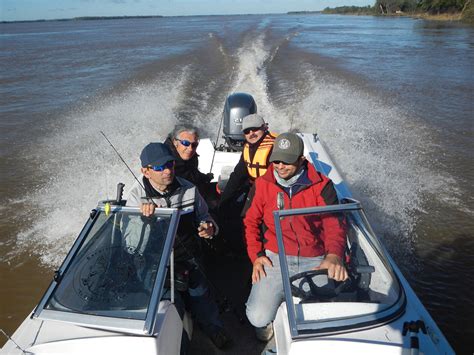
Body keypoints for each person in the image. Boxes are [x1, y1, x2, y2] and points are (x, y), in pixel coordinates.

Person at [243, 132, 348, 341]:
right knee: (257, 316)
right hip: (275, 255)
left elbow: (334, 224)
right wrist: (256, 256)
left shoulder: (322, 185)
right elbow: (250, 222)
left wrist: (334, 255)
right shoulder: (262, 185)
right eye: (276, 161)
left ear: (301, 160)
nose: (280, 167)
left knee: (321, 317)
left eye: (287, 162)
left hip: (315, 256)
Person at [126, 142, 230, 349]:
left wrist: (210, 228)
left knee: (202, 297)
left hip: (188, 257)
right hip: (153, 262)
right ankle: (179, 345)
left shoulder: (189, 189)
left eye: (170, 165)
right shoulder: (136, 196)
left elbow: (205, 216)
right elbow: (131, 244)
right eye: (159, 167)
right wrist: (142, 219)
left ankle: (214, 329)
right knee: (169, 309)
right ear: (145, 171)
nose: (167, 171)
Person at [218, 113, 277, 214]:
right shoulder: (247, 148)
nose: (251, 133)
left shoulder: (275, 146)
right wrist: (223, 202)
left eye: (255, 129)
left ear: (265, 127)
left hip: (273, 194)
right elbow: (237, 176)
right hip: (253, 189)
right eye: (247, 131)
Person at [163, 124, 214, 199]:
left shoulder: (187, 154)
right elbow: (188, 178)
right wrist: (205, 178)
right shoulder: (169, 162)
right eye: (185, 143)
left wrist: (205, 177)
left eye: (194, 144)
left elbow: (193, 172)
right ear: (175, 142)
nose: (190, 148)